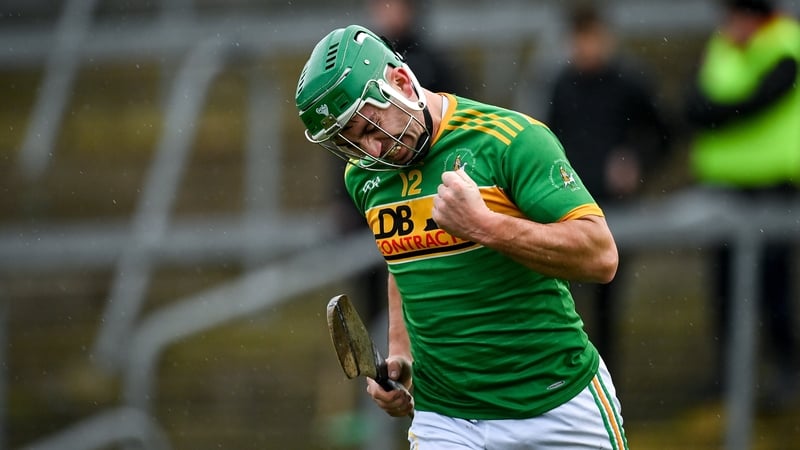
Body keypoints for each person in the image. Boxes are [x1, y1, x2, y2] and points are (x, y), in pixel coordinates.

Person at [296, 24, 627, 448]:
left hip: (553, 402)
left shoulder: (510, 140)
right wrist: (401, 356)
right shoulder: (364, 176)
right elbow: (403, 260)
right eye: (351, 141)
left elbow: (601, 257)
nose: (372, 150)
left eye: (372, 127)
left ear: (400, 82)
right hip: (445, 417)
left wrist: (485, 226)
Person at [684, 0, 800, 409]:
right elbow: (693, 105)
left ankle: (785, 372)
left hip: (772, 186)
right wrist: (718, 112)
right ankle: (731, 378)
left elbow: (756, 101)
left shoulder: (785, 44)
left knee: (773, 285)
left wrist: (718, 114)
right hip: (726, 187)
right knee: (724, 287)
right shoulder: (722, 45)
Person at [545, 3, 673, 373]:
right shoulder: (561, 85)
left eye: (591, 38)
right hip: (568, 209)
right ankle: (569, 375)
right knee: (564, 300)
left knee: (606, 301)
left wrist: (636, 162)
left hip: (614, 212)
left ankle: (605, 377)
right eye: (579, 39)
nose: (586, 48)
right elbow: (548, 140)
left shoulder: (631, 82)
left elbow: (663, 134)